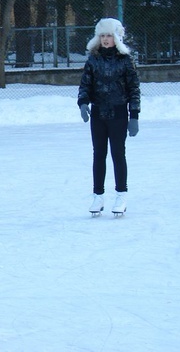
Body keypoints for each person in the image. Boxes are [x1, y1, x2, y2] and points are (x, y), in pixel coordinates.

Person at [78, 18, 141, 217]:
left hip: (119, 114)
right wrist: (83, 103)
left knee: (117, 154)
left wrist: (134, 115)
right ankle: (98, 196)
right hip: (98, 114)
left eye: (109, 36)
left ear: (116, 38)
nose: (105, 40)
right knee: (99, 154)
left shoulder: (125, 60)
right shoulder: (93, 59)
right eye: (102, 35)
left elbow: (134, 89)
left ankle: (121, 195)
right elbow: (85, 84)